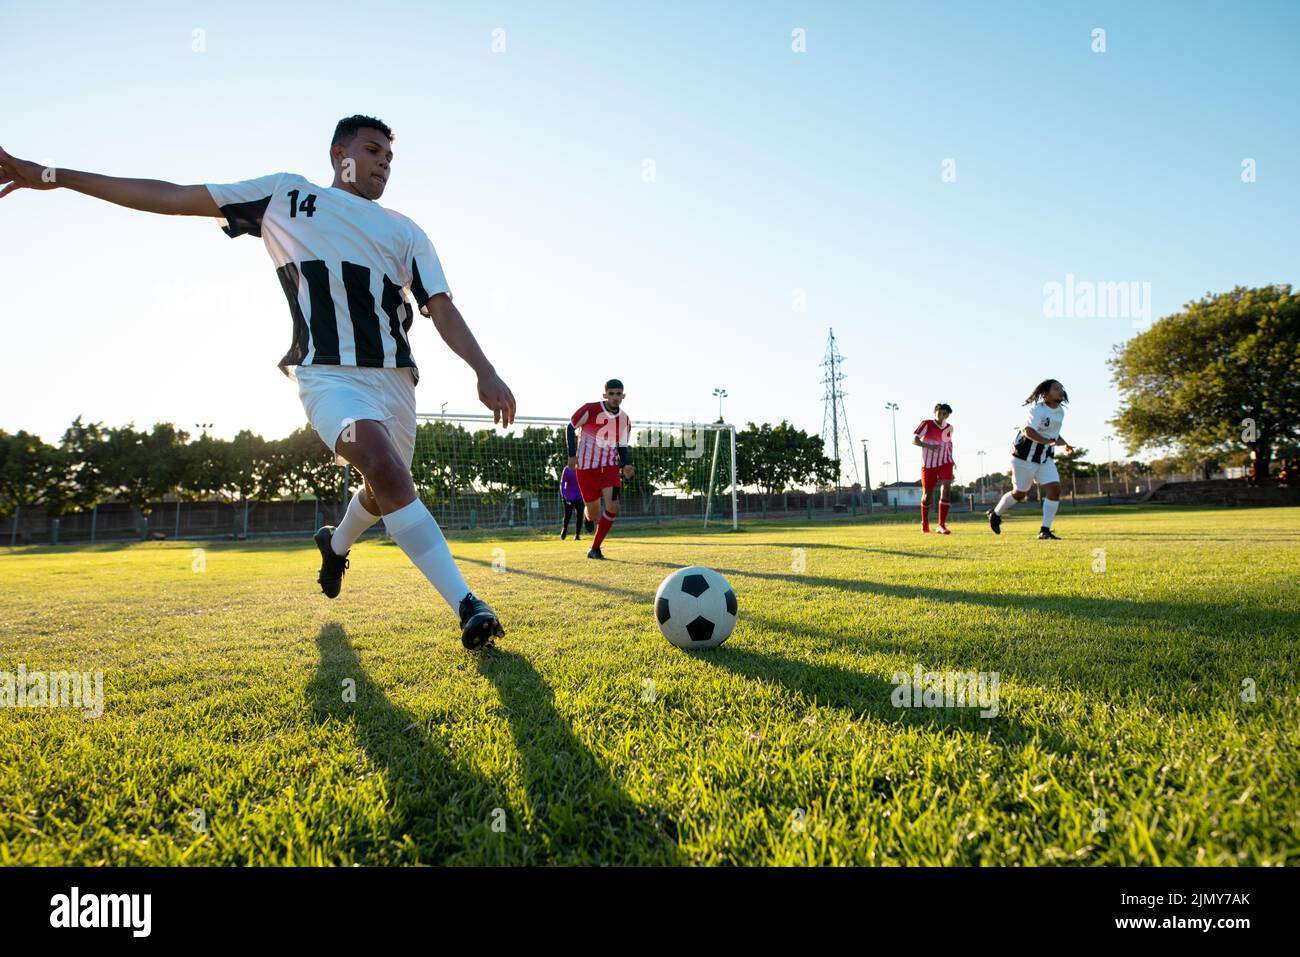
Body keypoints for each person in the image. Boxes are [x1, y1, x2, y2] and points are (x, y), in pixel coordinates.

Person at [0, 116, 516, 648]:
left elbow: (441, 307)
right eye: (372, 149)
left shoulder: (406, 231)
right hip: (327, 376)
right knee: (383, 466)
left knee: (386, 490)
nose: (384, 161)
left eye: (390, 155)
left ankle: (335, 545)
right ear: (339, 152)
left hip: (396, 382)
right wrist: (53, 175)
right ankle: (467, 604)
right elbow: (174, 196)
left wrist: (485, 369)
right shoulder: (286, 196)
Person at [987, 379, 1074, 540]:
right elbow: (1028, 431)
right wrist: (1048, 442)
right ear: (1046, 395)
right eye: (1056, 389)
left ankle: (1044, 530)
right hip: (1024, 457)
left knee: (1054, 489)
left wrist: (1065, 444)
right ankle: (995, 514)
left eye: (1061, 388)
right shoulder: (1038, 410)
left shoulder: (1060, 411)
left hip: (1044, 458)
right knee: (1020, 493)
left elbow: (1052, 434)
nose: (1060, 391)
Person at [568, 380, 633, 559]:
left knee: (614, 506)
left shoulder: (625, 420)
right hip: (586, 470)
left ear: (623, 396)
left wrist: (626, 464)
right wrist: (572, 455)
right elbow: (570, 428)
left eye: (618, 394)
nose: (614, 397)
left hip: (610, 469)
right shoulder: (590, 409)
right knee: (594, 511)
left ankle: (595, 548)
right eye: (611, 394)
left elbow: (622, 446)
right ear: (605, 395)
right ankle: (588, 518)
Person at [912, 403, 955, 534]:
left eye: (945, 414)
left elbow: (948, 444)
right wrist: (930, 447)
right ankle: (924, 522)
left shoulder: (949, 428)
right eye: (940, 413)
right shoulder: (927, 424)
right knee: (927, 495)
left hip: (945, 462)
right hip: (929, 465)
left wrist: (952, 459)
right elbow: (914, 440)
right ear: (935, 413)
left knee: (946, 488)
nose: (942, 415)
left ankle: (941, 525)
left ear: (948, 415)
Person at [559, 465, 584, 540]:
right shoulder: (566, 469)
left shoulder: (581, 468)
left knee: (580, 516)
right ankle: (564, 529)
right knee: (567, 516)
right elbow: (562, 483)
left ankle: (577, 535)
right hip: (568, 496)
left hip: (580, 496)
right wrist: (563, 495)